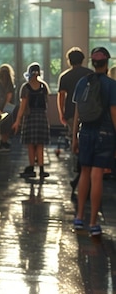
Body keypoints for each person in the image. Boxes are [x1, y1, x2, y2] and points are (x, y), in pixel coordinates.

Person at [72, 47, 116, 237]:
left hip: (86, 133)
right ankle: (94, 223)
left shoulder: (83, 82)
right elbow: (114, 114)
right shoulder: (111, 85)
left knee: (84, 173)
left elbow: (77, 113)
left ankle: (79, 217)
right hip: (104, 133)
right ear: (107, 63)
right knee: (97, 176)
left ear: (92, 62)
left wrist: (74, 136)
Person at [57, 47, 92, 193]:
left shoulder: (65, 76)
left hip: (71, 113)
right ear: (83, 60)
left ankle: (77, 168)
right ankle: (85, 168)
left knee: (74, 139)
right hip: (89, 113)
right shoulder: (90, 75)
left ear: (69, 61)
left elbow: (61, 97)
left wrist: (62, 113)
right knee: (87, 140)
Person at [12, 62, 50, 180]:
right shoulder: (44, 87)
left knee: (30, 145)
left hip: (30, 117)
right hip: (41, 117)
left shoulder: (26, 87)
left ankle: (31, 167)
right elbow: (46, 102)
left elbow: (23, 107)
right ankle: (42, 169)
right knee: (40, 144)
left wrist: (17, 121)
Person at [0, 64, 16, 151]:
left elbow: (5, 97)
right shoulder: (10, 84)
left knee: (3, 125)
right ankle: (5, 142)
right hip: (9, 107)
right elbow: (9, 97)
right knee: (7, 125)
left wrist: (2, 108)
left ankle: (3, 143)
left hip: (2, 107)